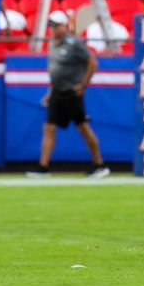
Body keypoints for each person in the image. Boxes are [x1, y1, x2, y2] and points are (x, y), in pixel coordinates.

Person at [25, 11, 109, 179]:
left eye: (56, 25)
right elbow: (55, 72)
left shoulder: (74, 43)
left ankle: (99, 164)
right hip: (57, 91)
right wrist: (50, 92)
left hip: (72, 92)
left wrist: (83, 85)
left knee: (83, 127)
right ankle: (43, 166)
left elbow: (92, 62)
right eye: (52, 26)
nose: (53, 29)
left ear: (64, 26)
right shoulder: (52, 44)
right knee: (48, 127)